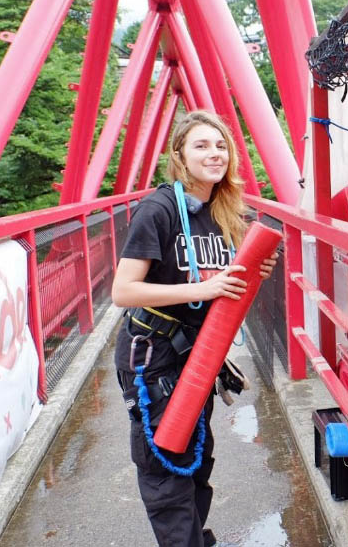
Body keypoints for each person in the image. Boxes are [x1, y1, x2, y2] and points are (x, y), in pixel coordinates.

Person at [111, 110, 278, 547]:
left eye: (221, 145)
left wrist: (253, 269)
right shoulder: (161, 207)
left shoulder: (219, 212)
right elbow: (123, 291)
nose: (214, 154)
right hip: (154, 355)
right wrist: (203, 285)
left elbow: (219, 288)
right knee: (167, 465)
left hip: (196, 354)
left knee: (197, 460)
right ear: (180, 155)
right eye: (202, 145)